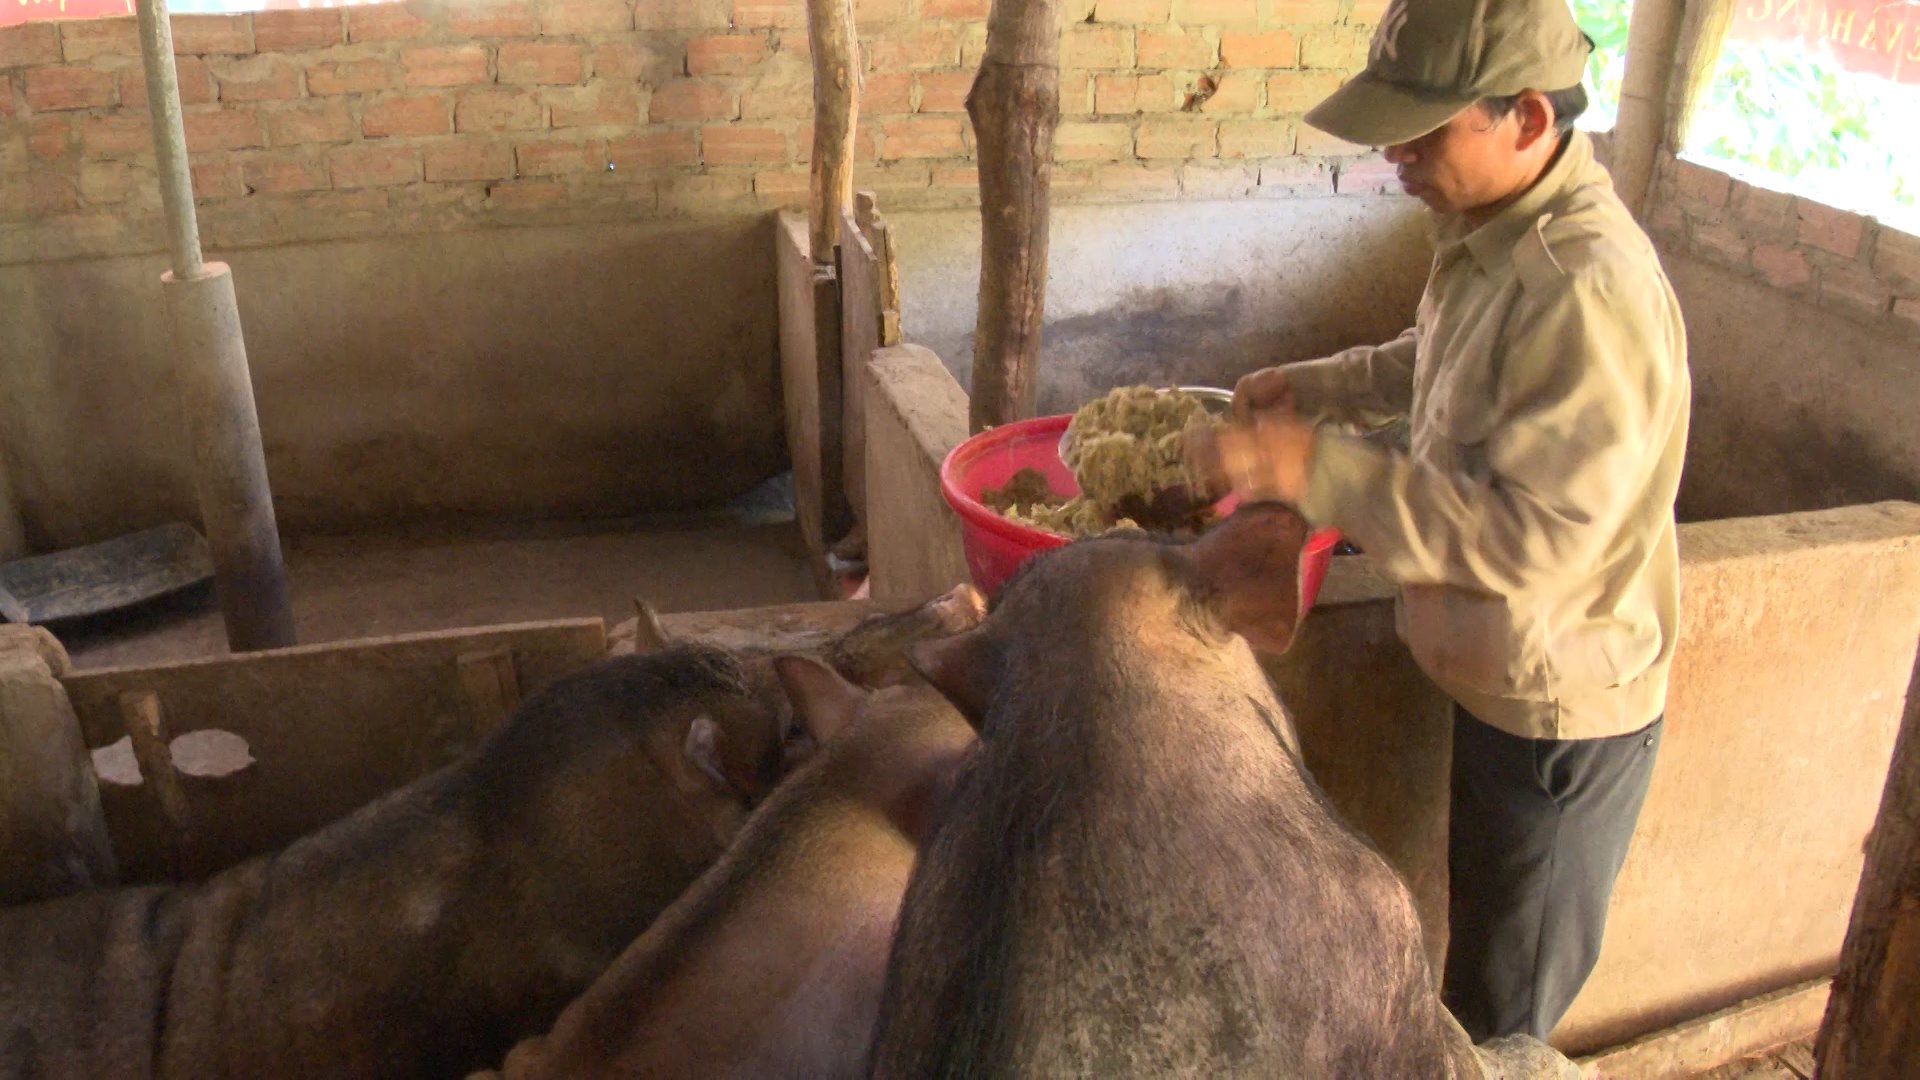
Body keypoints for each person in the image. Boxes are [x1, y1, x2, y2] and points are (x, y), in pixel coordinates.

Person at [1188, 0, 1693, 1045]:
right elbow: (1436, 363)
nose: (1396, 154)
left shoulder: (1585, 291)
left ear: (1523, 119)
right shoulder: (1491, 231)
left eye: (1424, 127)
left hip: (1560, 716)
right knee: (1478, 967)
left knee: (1505, 1018)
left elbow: (1533, 541)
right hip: (1496, 680)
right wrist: (1316, 387)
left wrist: (1310, 469)